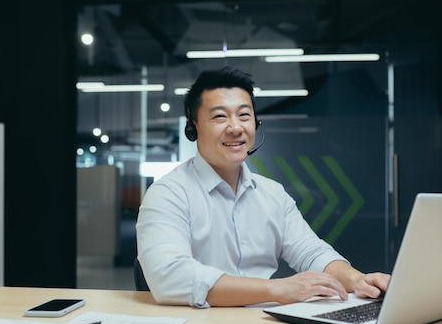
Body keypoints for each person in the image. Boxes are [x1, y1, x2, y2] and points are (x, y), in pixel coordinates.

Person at [136, 66, 390, 307]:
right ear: (193, 127)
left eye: (244, 115)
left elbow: (311, 252)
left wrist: (356, 279)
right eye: (220, 116)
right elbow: (169, 276)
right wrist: (276, 290)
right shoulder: (168, 193)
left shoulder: (272, 194)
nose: (235, 127)